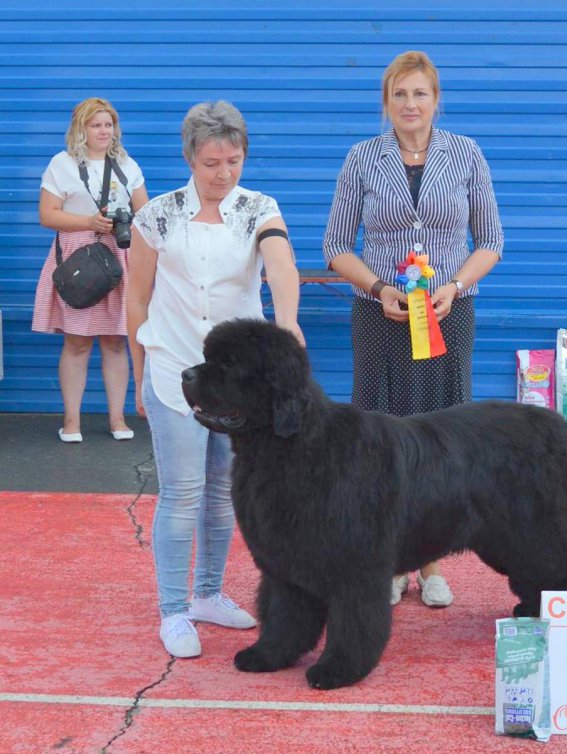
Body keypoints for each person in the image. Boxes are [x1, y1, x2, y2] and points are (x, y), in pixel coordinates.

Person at [323, 51, 504, 609]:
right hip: (380, 317)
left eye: (420, 94)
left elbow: (491, 241)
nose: (410, 104)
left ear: (436, 100)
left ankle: (432, 562)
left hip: (449, 316)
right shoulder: (361, 158)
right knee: (379, 440)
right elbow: (335, 247)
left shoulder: (467, 155)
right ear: (386, 102)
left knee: (444, 441)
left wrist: (453, 285)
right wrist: (379, 288)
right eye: (399, 94)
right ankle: (386, 561)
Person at [127, 101, 305, 658]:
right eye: (211, 162)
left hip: (236, 388)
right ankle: (173, 611)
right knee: (181, 495)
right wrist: (138, 371)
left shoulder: (259, 209)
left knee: (225, 496)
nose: (223, 172)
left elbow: (281, 263)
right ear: (190, 158)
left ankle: (209, 592)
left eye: (233, 160)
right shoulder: (158, 216)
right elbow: (137, 296)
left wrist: (289, 320)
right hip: (173, 367)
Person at [33, 97, 149, 442]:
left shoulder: (127, 164)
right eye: (96, 125)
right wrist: (89, 222)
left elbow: (145, 214)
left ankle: (118, 419)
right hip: (78, 257)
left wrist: (125, 223)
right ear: (80, 129)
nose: (104, 131)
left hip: (118, 256)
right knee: (78, 341)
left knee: (116, 340)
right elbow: (47, 214)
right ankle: (72, 422)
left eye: (108, 124)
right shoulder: (62, 164)